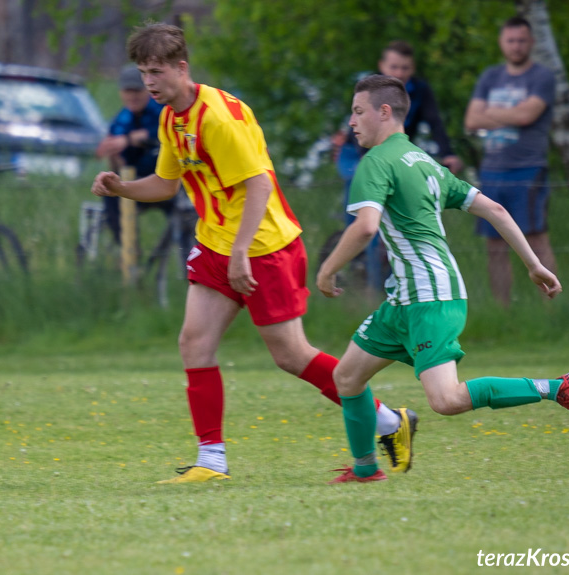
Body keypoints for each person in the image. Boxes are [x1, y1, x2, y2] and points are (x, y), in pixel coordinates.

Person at [92, 23, 415, 483]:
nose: (148, 83)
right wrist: (122, 188)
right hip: (216, 245)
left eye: (157, 72)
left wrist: (241, 251)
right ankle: (211, 460)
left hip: (265, 249)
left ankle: (387, 419)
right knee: (193, 342)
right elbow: (166, 183)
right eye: (143, 72)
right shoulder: (170, 118)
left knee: (291, 355)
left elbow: (260, 183)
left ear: (182, 68)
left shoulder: (218, 118)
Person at [316, 75, 569, 484]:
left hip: (429, 297)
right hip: (406, 298)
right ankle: (366, 470)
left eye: (358, 112)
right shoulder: (425, 162)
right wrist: (533, 264)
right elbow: (494, 209)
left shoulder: (376, 162)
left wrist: (327, 268)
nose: (352, 122)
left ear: (384, 112)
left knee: (446, 399)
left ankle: (557, 387)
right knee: (347, 377)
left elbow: (366, 227)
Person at [333, 40, 463, 292]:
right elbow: (361, 127)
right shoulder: (371, 90)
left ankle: (393, 281)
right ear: (382, 66)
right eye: (394, 67)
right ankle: (357, 264)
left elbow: (435, 123)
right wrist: (370, 160)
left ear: (412, 69)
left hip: (389, 153)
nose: (400, 73)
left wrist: (448, 154)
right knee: (365, 216)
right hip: (357, 152)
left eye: (405, 68)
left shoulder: (420, 91)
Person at [464, 17, 557, 307]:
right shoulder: (490, 77)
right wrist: (511, 112)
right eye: (510, 40)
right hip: (492, 170)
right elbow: (472, 120)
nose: (516, 46)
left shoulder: (542, 77)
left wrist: (492, 112)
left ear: (530, 42)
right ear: (502, 43)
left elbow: (527, 116)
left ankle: (551, 307)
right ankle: (503, 311)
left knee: (536, 238)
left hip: (528, 169)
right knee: (494, 245)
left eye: (521, 40)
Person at [95, 64, 170, 244]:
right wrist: (113, 154)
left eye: (136, 90)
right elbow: (118, 160)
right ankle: (128, 254)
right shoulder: (121, 119)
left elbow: (162, 132)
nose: (132, 96)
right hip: (138, 182)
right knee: (111, 200)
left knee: (185, 216)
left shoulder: (161, 109)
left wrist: (130, 140)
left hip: (168, 182)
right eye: (127, 91)